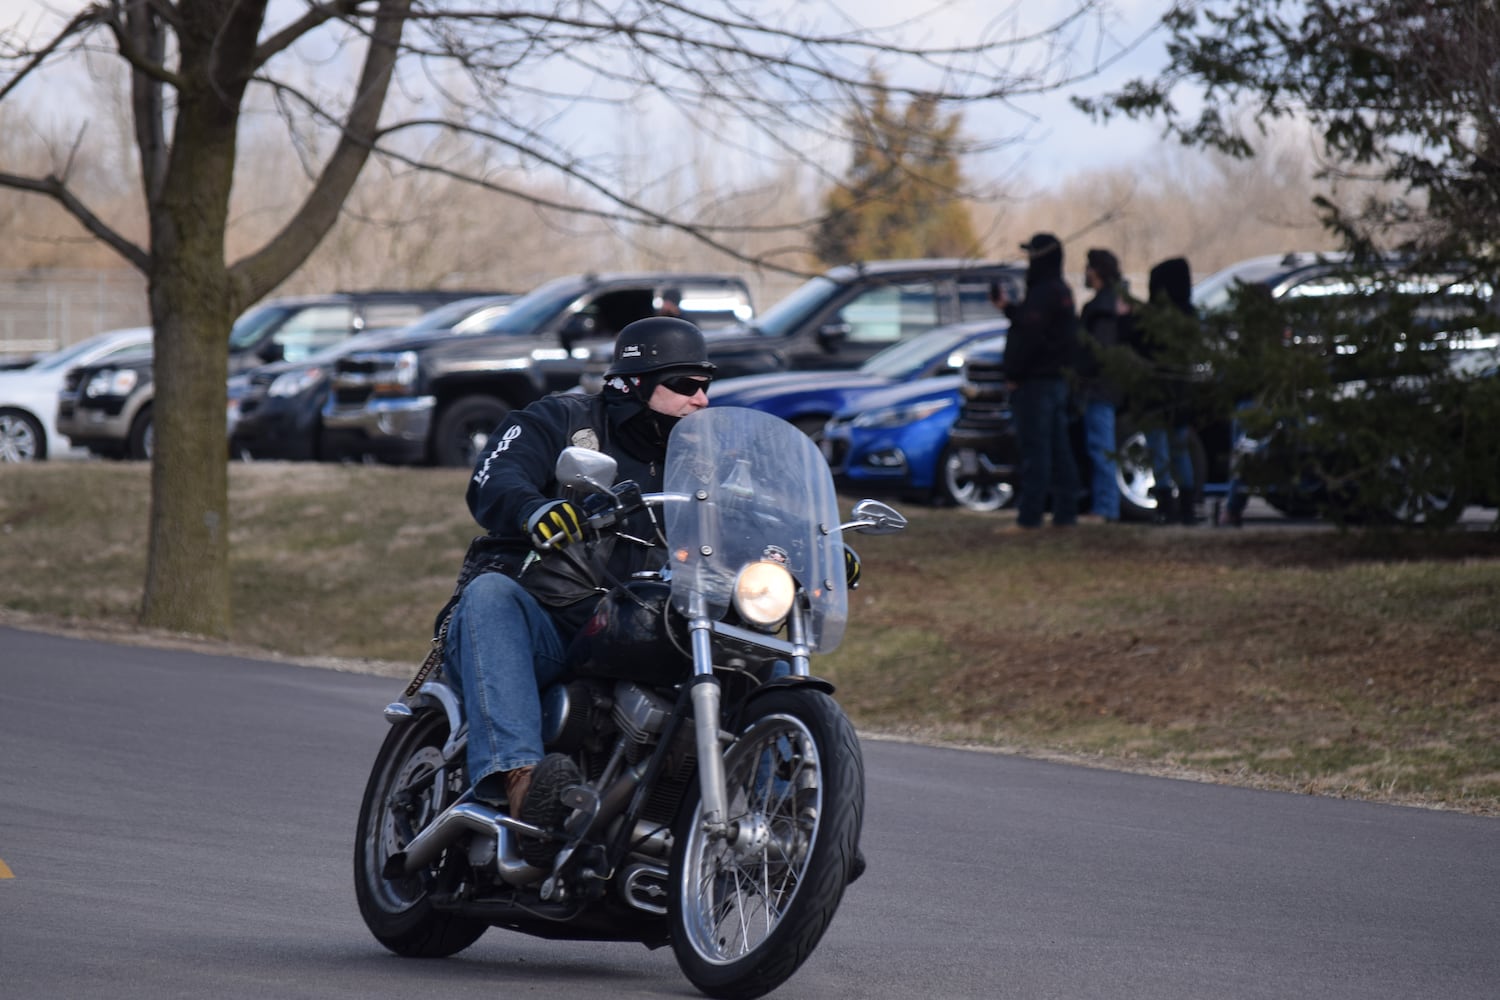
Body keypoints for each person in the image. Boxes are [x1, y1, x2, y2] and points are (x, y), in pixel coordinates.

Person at [440, 316, 713, 828]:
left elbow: (750, 515)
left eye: (705, 386)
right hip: (549, 626)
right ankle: (522, 782)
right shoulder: (561, 420)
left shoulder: (705, 461)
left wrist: (798, 547)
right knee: (491, 595)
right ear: (632, 385)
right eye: (683, 385)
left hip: (648, 629)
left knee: (754, 649)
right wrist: (533, 509)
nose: (700, 399)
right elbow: (495, 475)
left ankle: (794, 808)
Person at [998, 232, 1081, 529]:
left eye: (1032, 255)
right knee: (1058, 451)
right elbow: (1032, 326)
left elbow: (1030, 337)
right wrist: (1008, 309)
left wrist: (1015, 375)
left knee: (1037, 451)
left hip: (1037, 385)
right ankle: (1065, 512)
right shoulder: (1059, 291)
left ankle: (1030, 517)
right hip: (1053, 383)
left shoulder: (1045, 292)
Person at [1135, 257, 1200, 525]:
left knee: (1161, 451)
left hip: (1156, 393)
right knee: (1178, 449)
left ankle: (1167, 507)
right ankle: (1186, 508)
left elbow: (1140, 348)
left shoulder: (1154, 318)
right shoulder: (1189, 316)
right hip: (1180, 393)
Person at [1075, 248, 1128, 523]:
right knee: (1099, 447)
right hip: (1102, 387)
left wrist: (1084, 373)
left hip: (1100, 388)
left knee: (1101, 448)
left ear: (1097, 271)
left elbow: (1100, 351)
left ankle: (1106, 507)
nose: (1085, 272)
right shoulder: (1110, 304)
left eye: (1088, 267)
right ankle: (1104, 505)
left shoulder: (1103, 309)